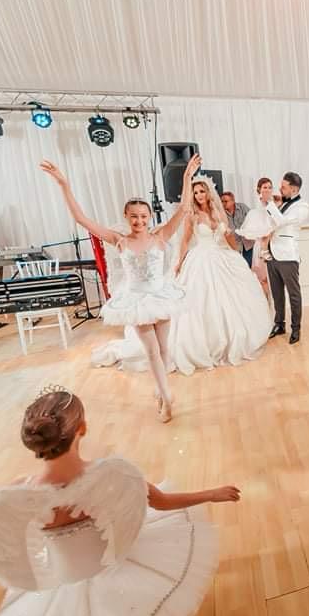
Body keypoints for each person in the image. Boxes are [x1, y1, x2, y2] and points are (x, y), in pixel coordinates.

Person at [0, 387, 241, 616]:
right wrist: (211, 494)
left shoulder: (19, 495)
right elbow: (161, 502)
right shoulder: (113, 475)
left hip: (60, 590)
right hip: (120, 573)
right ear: (83, 429)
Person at [40, 158, 195, 422]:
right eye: (134, 216)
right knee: (151, 351)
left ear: (149, 217)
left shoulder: (160, 236)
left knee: (163, 350)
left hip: (160, 296)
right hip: (136, 301)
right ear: (126, 216)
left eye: (143, 216)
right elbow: (81, 219)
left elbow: (183, 208)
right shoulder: (119, 240)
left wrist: (187, 177)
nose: (139, 220)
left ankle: (161, 390)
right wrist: (63, 184)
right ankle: (166, 398)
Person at [164, 175, 272, 374]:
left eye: (201, 191)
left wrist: (236, 254)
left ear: (208, 193)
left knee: (232, 298)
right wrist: (179, 261)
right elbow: (185, 241)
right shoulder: (192, 216)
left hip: (221, 256)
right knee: (204, 300)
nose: (199, 195)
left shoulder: (217, 212)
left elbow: (228, 235)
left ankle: (234, 337)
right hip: (201, 259)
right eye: (195, 193)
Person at [265, 172, 309, 345]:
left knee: (293, 294)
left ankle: (296, 328)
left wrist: (270, 203)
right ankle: (279, 324)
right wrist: (276, 204)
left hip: (288, 255)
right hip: (271, 253)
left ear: (294, 189)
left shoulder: (302, 207)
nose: (280, 189)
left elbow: (281, 222)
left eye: (283, 187)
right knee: (277, 293)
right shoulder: (282, 203)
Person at [236, 178, 277, 298]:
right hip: (260, 249)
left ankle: (276, 305)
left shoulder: (276, 210)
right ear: (259, 190)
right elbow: (248, 235)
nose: (267, 190)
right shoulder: (253, 213)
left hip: (275, 246)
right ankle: (266, 304)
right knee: (262, 279)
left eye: (270, 187)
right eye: (265, 187)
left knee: (275, 280)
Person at [221, 191, 254, 267]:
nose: (223, 203)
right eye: (222, 201)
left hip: (247, 242)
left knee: (248, 265)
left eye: (226, 201)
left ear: (233, 201)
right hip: (234, 244)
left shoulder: (242, 207)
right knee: (237, 265)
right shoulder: (221, 213)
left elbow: (252, 218)